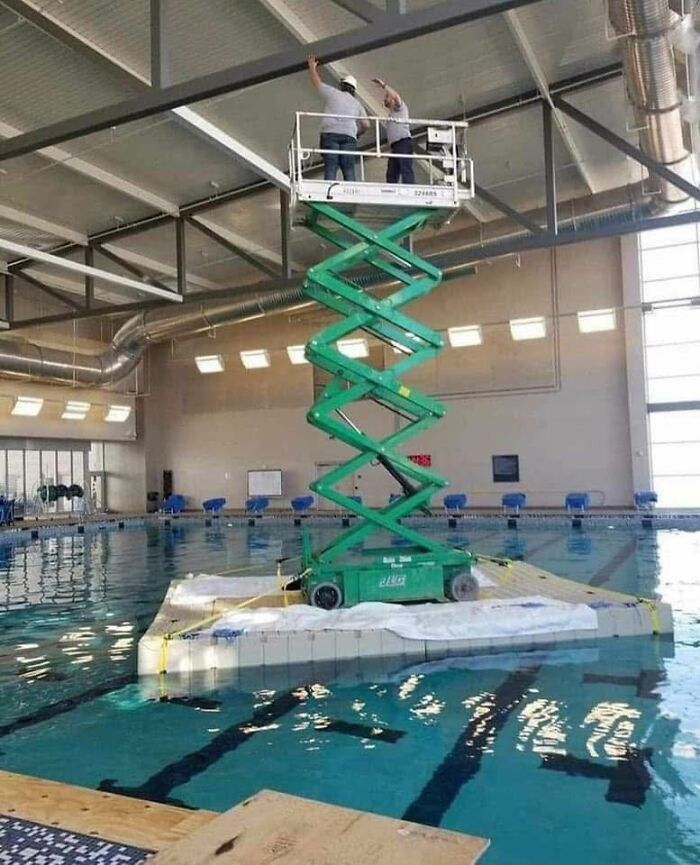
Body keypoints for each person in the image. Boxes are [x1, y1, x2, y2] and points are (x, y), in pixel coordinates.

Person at [307, 55, 368, 182]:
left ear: (342, 85)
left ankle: (329, 192)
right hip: (349, 136)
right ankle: (351, 194)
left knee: (331, 165)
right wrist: (357, 133)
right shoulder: (357, 104)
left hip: (330, 133)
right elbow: (366, 124)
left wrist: (312, 67)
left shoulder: (334, 93)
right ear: (354, 90)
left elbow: (316, 82)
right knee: (348, 167)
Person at [372, 77, 414, 184]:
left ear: (392, 99)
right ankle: (391, 189)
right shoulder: (391, 115)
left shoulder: (401, 108)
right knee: (392, 173)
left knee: (405, 168)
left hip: (403, 143)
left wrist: (383, 85)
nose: (385, 99)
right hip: (395, 146)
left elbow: (396, 96)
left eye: (387, 96)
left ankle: (409, 188)